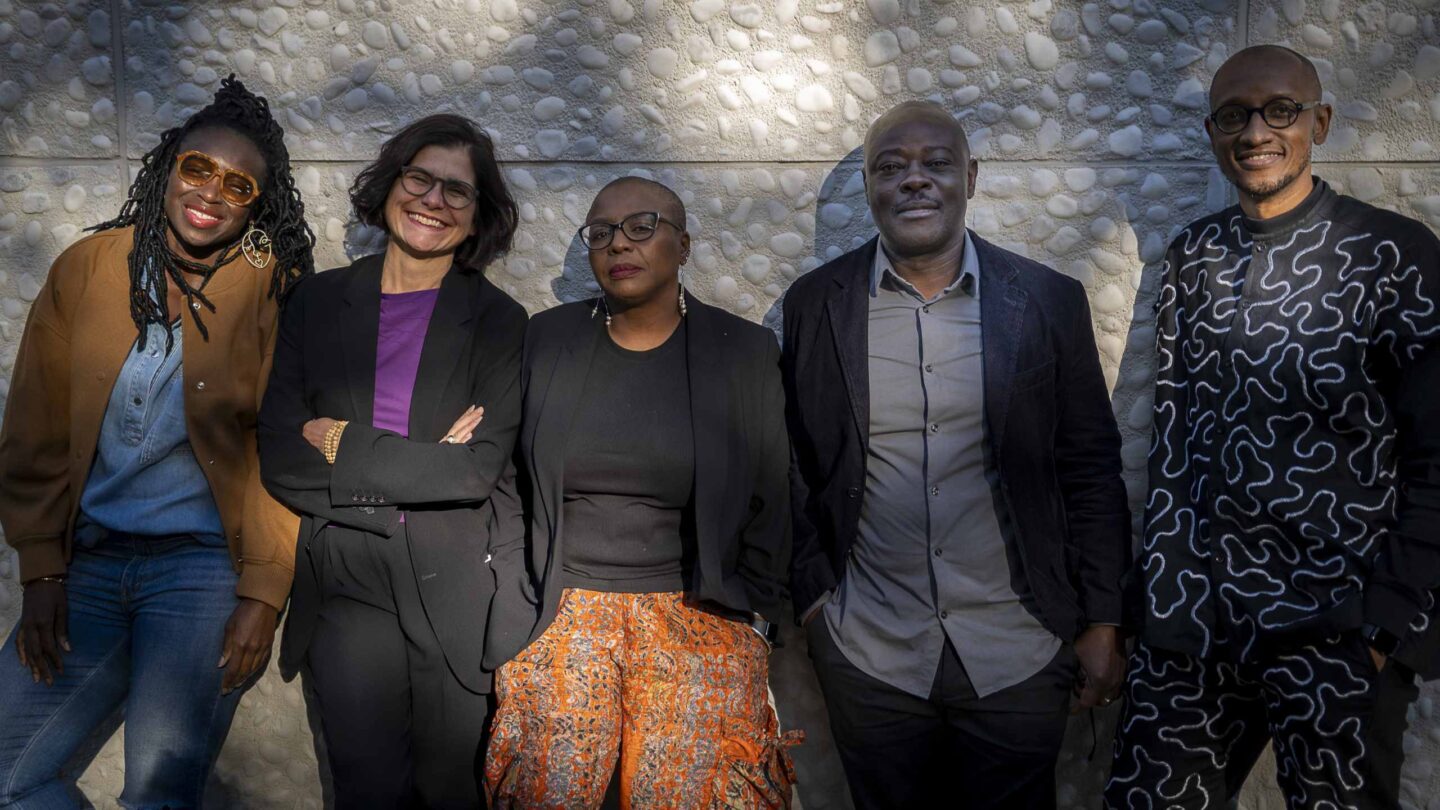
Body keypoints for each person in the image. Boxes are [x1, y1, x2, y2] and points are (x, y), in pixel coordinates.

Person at [1105, 45, 1440, 809]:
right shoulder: (1195, 257)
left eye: (1279, 109)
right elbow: (1176, 441)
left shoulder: (1394, 256)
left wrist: (1389, 624)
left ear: (1318, 121)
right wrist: (1145, 599)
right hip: (1190, 629)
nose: (1256, 129)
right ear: (1212, 132)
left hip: (1336, 630)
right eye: (1233, 115)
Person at [782, 100, 1130, 809]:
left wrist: (1102, 621)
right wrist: (818, 605)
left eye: (936, 164)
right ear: (871, 189)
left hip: (1020, 645)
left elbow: (1089, 468)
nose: (915, 181)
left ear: (969, 176)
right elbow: (792, 462)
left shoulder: (1046, 300)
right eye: (891, 167)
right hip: (869, 649)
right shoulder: (818, 303)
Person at [0, 77, 313, 808]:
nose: (210, 192)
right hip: (90, 567)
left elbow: (283, 449)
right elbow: (35, 428)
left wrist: (264, 593)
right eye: (197, 167)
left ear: (256, 205)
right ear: (168, 167)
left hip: (202, 575)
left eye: (237, 185)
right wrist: (41, 572)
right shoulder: (89, 268)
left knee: (156, 794)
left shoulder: (277, 289)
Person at [481, 176, 799, 808]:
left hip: (698, 615)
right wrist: (515, 603)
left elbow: (774, 493)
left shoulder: (742, 351)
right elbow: (508, 479)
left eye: (641, 226)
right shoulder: (548, 339)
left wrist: (751, 618)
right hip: (561, 614)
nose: (618, 244)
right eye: (600, 233)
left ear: (682, 245)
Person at [256, 113, 526, 809]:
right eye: (419, 178)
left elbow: (474, 470)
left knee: (455, 793)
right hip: (347, 576)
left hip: (458, 582)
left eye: (457, 192)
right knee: (367, 791)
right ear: (389, 187)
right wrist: (412, 469)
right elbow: (281, 454)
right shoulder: (317, 302)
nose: (433, 200)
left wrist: (343, 440)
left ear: (478, 216)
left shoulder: (499, 322)